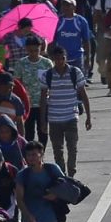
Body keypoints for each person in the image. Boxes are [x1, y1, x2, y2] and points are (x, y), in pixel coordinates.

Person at [41, 44, 92, 178]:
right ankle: (62, 175)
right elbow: (43, 100)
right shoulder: (48, 75)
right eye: (56, 59)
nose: (59, 62)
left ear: (66, 58)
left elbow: (84, 95)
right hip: (54, 119)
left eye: (62, 58)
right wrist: (43, 121)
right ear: (53, 59)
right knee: (58, 150)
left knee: (72, 148)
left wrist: (88, 117)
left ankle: (71, 174)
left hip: (71, 117)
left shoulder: (75, 73)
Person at [9, 36, 53, 145]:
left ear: (40, 48)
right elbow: (17, 84)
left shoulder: (47, 63)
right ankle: (29, 154)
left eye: (36, 50)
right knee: (28, 132)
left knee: (43, 130)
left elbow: (52, 82)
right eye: (31, 50)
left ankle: (40, 154)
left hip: (43, 103)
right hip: (27, 105)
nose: (33, 53)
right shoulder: (21, 64)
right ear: (26, 49)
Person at [51, 0, 94, 72]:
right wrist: (52, 56)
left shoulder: (81, 21)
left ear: (74, 7)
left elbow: (86, 40)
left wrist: (88, 58)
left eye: (68, 5)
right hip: (61, 58)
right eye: (63, 5)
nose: (65, 7)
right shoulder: (58, 21)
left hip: (77, 57)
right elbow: (53, 40)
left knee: (78, 81)